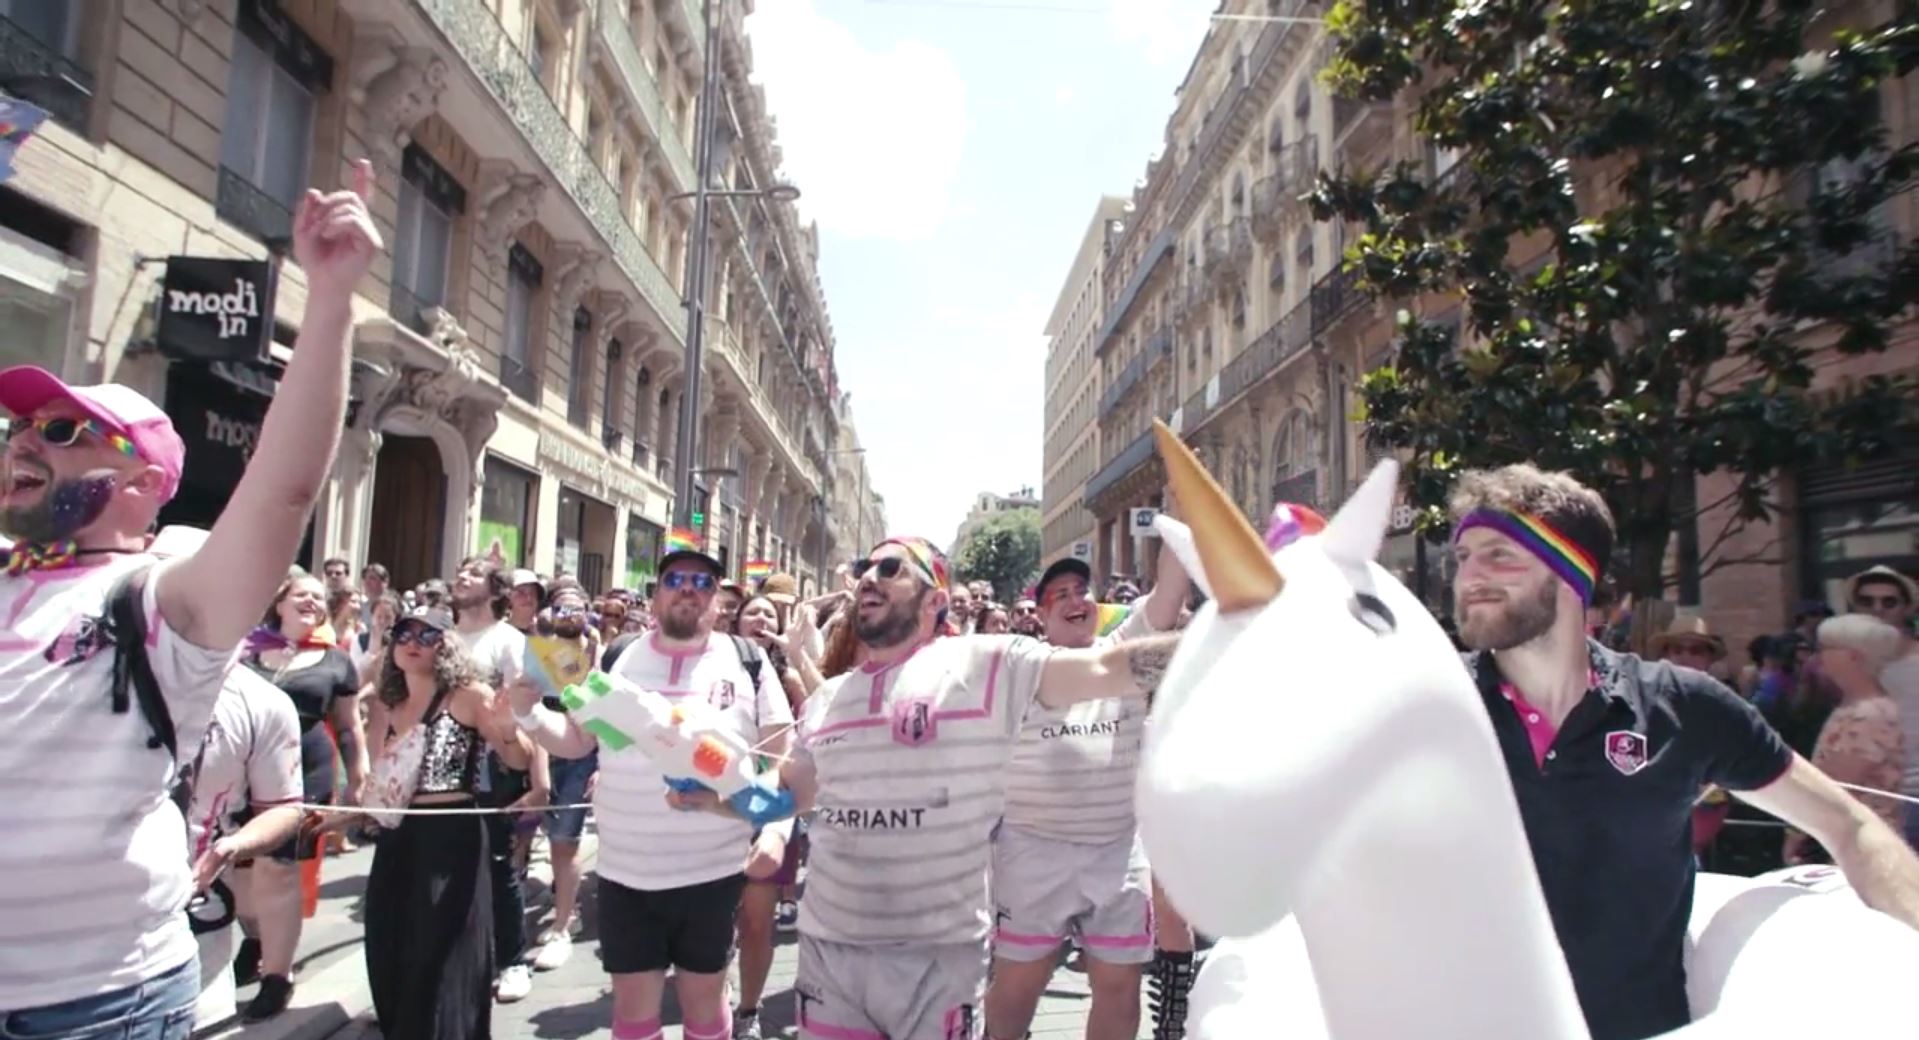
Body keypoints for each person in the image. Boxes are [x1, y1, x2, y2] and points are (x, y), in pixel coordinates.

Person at [0, 161, 378, 1037]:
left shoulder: (159, 598)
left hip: (95, 1003)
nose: (25, 441)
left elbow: (282, 495)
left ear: (141, 481)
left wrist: (329, 305)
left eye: (61, 432)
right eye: (19, 427)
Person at [1447, 463, 1919, 1040]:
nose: (1469, 574)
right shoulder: (1430, 703)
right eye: (1463, 556)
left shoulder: (1682, 706)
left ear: (1571, 572)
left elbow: (1849, 825)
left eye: (1498, 554)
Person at [675, 536, 1183, 1040]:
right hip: (832, 957)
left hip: (939, 963)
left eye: (892, 568)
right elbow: (788, 794)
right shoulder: (828, 699)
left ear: (936, 600)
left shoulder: (988, 666)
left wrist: (1216, 643)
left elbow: (1105, 669)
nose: (869, 577)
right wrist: (717, 798)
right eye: (864, 567)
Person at [507, 547, 794, 1040]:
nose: (688, 589)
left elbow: (781, 760)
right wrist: (528, 714)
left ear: (718, 602)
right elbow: (579, 741)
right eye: (676, 579)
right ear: (656, 595)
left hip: (712, 872)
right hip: (625, 872)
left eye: (703, 583)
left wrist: (777, 830)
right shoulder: (617, 657)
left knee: (703, 1008)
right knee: (634, 1014)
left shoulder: (748, 662)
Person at [986, 548, 1187, 1040]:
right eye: (1062, 594)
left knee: (1120, 989)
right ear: (1041, 612)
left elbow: (1170, 590)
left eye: (1083, 591)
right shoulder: (1020, 667)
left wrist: (1180, 515)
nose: (1076, 600)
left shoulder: (1125, 648)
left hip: (1116, 852)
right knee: (1017, 986)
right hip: (1032, 853)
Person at [351, 606, 532, 1040]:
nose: (412, 643)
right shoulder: (386, 703)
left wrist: (508, 729)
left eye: (426, 635)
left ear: (445, 645)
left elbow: (518, 758)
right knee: (388, 936)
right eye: (404, 634)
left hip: (451, 835)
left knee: (441, 948)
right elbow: (378, 774)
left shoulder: (468, 695)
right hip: (399, 835)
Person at [231, 569, 367, 1018]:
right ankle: (256, 939)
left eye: (319, 598)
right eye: (302, 595)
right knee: (241, 876)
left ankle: (277, 976)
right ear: (280, 602)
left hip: (304, 771)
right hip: (242, 770)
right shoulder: (245, 651)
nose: (312, 602)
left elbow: (349, 727)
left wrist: (358, 777)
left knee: (280, 870)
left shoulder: (335, 660)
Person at [449, 554, 546, 1003]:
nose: (462, 578)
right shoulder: (441, 639)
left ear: (494, 592)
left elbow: (529, 714)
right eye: (461, 572)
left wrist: (538, 781)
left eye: (474, 575)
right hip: (439, 776)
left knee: (499, 866)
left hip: (494, 769)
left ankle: (512, 960)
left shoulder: (509, 642)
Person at [1785, 614, 1908, 860]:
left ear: (1854, 656)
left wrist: (1795, 834)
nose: (1819, 656)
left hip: (1866, 848)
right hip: (1848, 843)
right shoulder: (1850, 708)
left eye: (1827, 648)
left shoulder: (1870, 715)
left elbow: (1833, 785)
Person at [529, 579, 599, 972]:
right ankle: (561, 899)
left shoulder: (594, 648)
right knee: (543, 830)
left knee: (564, 837)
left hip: (579, 747)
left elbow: (593, 696)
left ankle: (562, 924)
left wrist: (585, 653)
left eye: (576, 608)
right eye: (561, 608)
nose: (568, 615)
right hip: (539, 742)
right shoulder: (536, 645)